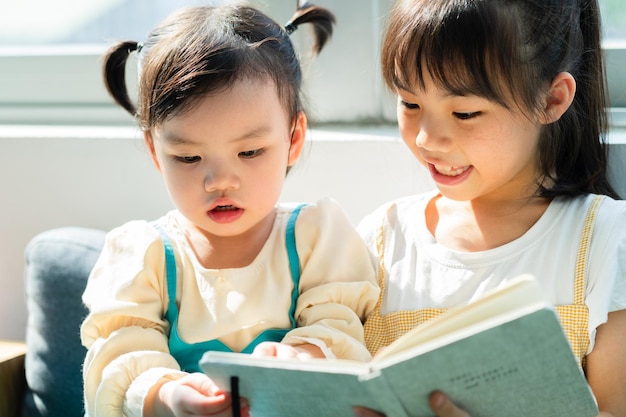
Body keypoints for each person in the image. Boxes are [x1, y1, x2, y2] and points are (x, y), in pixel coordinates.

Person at [80, 3, 379, 417]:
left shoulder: (316, 237)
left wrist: (308, 355)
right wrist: (168, 397)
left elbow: (340, 327)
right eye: (188, 157)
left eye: (250, 151)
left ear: (294, 138)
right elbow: (118, 367)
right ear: (154, 150)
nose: (220, 181)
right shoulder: (141, 256)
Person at [352, 0, 626, 416]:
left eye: (464, 113)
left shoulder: (605, 240)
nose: (427, 139)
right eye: (409, 104)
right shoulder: (381, 240)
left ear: (551, 100)